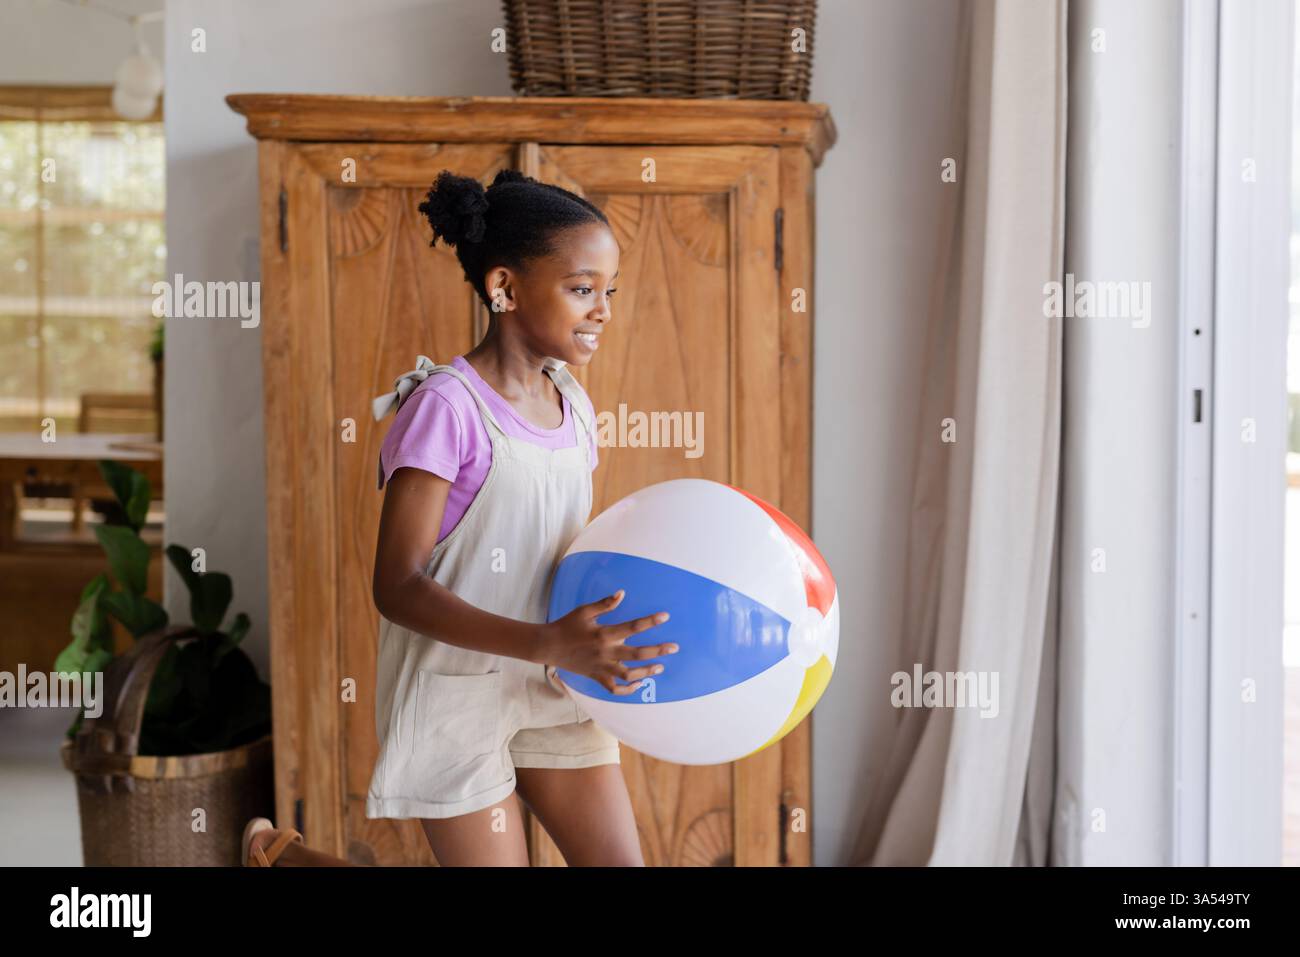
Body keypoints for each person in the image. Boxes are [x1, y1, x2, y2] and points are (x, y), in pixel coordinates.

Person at [365, 168, 675, 867]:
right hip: (459, 692)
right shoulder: (446, 409)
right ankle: (281, 856)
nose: (602, 310)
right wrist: (546, 641)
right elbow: (396, 584)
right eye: (581, 288)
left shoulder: (574, 403)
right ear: (503, 287)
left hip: (555, 680)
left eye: (609, 292)